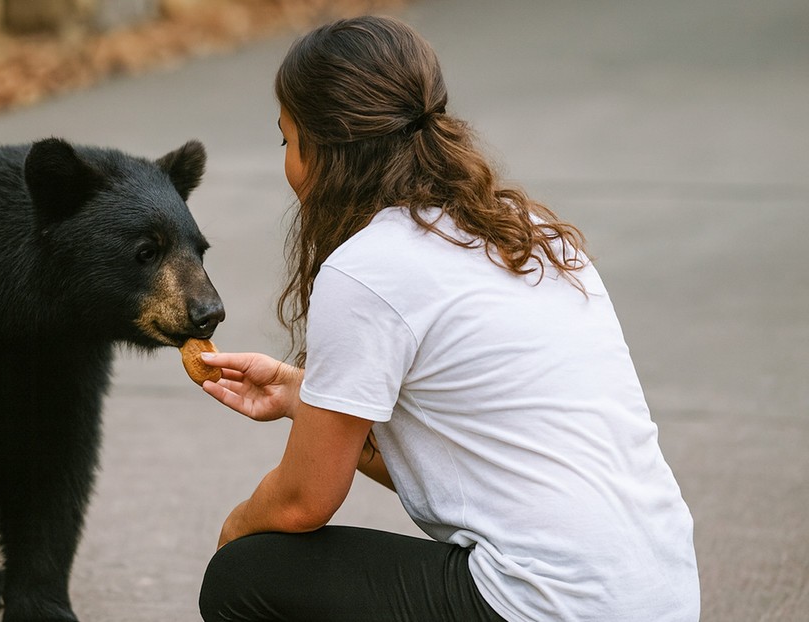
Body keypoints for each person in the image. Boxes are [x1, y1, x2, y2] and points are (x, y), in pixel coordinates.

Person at [195, 15, 700, 622]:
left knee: (248, 575)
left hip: (552, 605)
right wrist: (306, 398)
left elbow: (302, 502)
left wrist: (235, 528)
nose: (288, 166)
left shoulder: (367, 270)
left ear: (324, 148)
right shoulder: (530, 236)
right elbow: (464, 468)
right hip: (658, 594)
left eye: (287, 140)